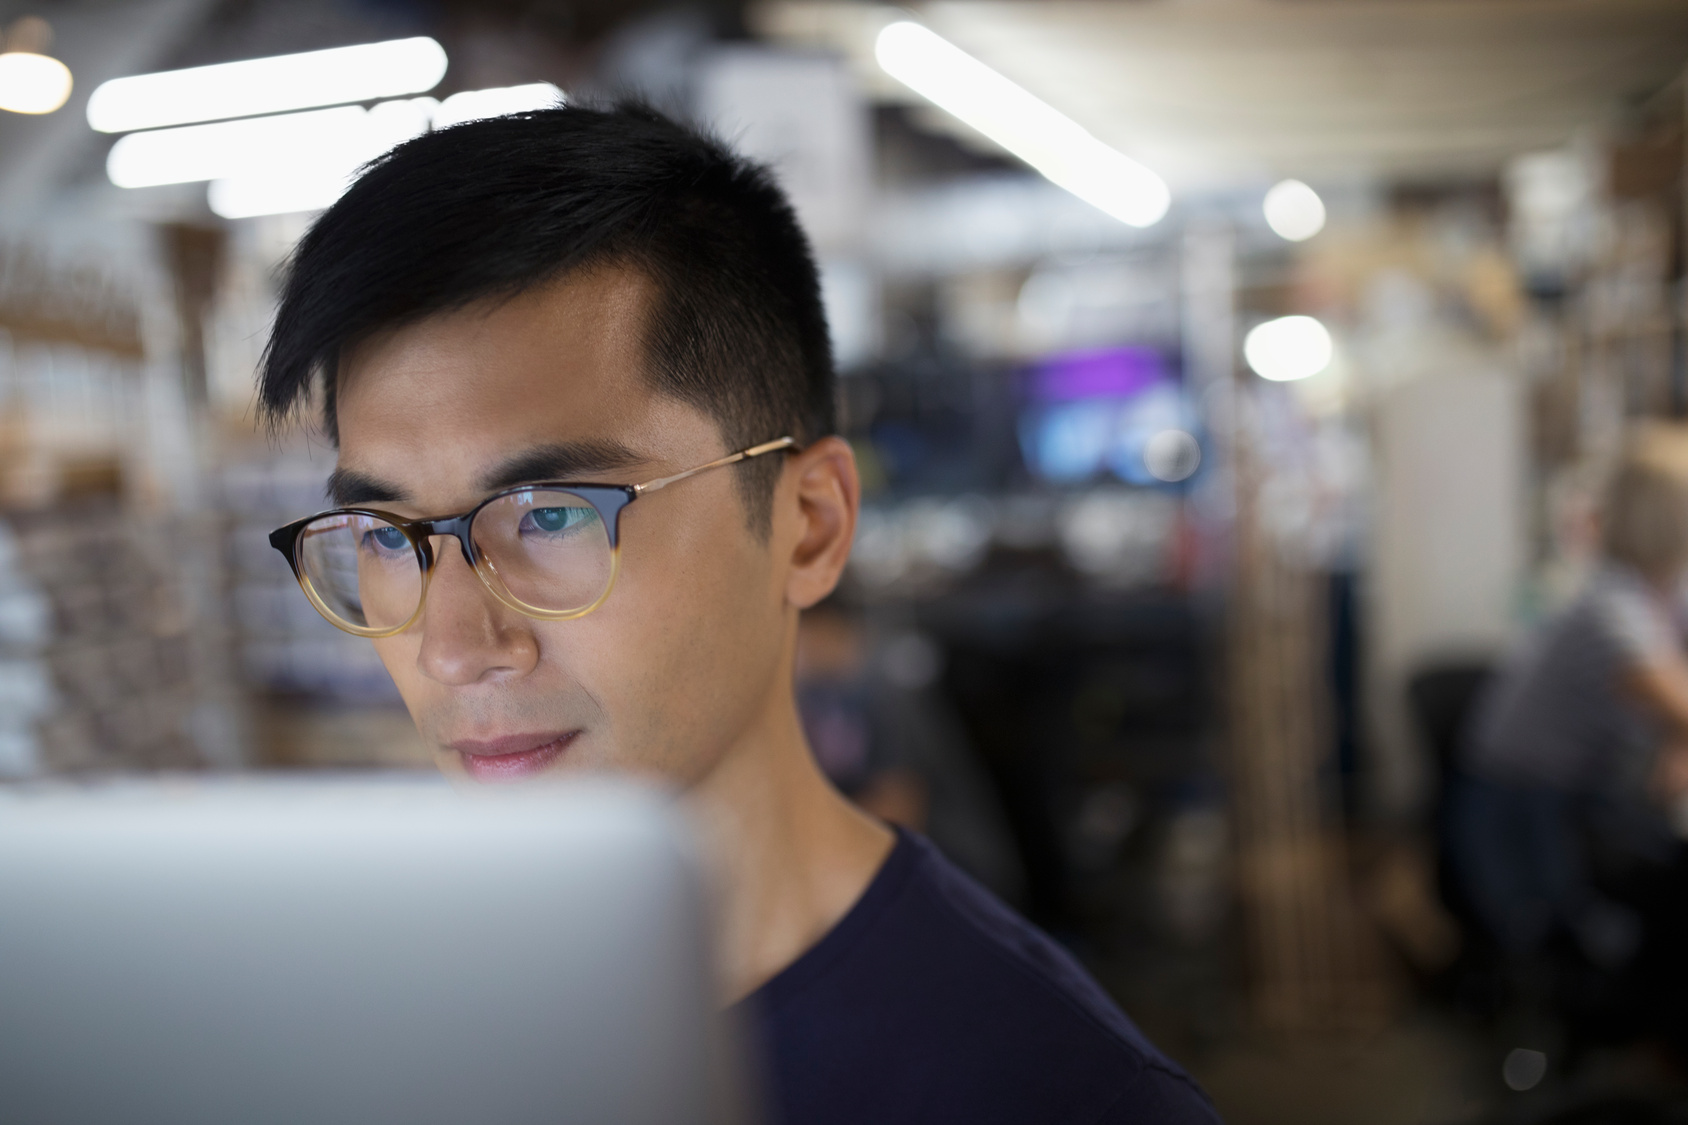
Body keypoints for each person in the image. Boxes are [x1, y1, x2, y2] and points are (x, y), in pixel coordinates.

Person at [258, 104, 1219, 1124]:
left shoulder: (1057, 1095)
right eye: (380, 532)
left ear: (808, 526)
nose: (452, 650)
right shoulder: (385, 1028)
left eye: (549, 514)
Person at [1454, 432, 1688, 1021]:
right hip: (1525, 815)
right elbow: (1675, 702)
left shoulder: (1658, 594)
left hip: (1577, 799)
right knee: (1658, 907)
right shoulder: (1613, 608)